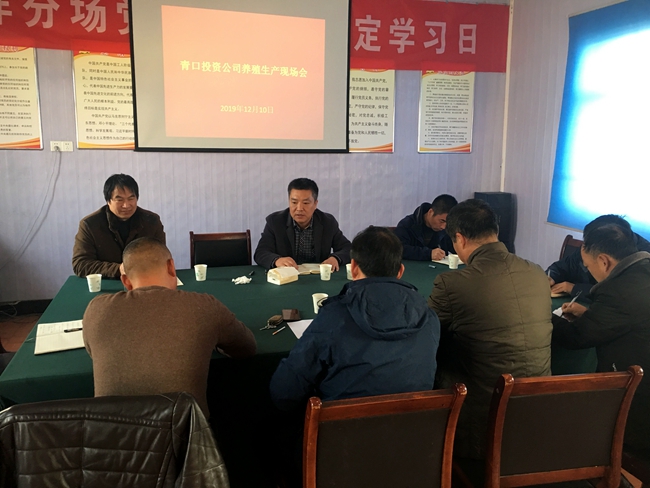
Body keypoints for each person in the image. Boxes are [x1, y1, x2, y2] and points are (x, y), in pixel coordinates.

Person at [428, 199, 552, 459]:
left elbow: (427, 339)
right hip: (538, 410)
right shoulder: (537, 272)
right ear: (495, 231)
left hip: (480, 419)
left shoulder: (453, 284)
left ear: (460, 239)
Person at [270, 226, 440, 412]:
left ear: (354, 268)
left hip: (342, 429)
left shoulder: (335, 317)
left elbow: (285, 392)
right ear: (400, 271)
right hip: (415, 427)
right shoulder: (429, 317)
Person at [82, 238, 256, 417]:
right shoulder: (205, 306)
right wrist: (213, 339)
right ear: (171, 267)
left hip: (110, 432)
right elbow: (247, 348)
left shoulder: (96, 309)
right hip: (184, 431)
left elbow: (92, 351)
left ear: (125, 281)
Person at [552, 223, 650, 452]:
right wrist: (591, 314)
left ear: (604, 261)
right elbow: (627, 319)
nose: (589, 271)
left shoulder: (618, 290)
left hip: (637, 404)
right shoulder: (642, 269)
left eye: (588, 266)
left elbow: (576, 337)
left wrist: (542, 315)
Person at [72, 174, 165, 279]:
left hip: (143, 280)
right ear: (108, 201)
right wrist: (118, 269)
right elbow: (80, 264)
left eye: (131, 198)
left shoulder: (152, 221)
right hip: (107, 283)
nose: (126, 205)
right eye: (119, 200)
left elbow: (161, 257)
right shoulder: (90, 225)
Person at [254, 178, 351, 271]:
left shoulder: (327, 222)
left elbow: (349, 249)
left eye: (305, 203)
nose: (299, 208)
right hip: (288, 276)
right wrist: (277, 260)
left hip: (317, 276)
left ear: (315, 204)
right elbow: (261, 252)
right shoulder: (275, 222)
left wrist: (335, 258)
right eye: (294, 202)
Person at [547, 214, 650, 299]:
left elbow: (617, 295)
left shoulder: (642, 262)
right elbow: (563, 266)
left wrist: (574, 288)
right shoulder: (592, 245)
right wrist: (550, 277)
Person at [395, 194, 458, 261]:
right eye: (442, 221)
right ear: (431, 212)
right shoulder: (407, 225)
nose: (443, 227)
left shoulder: (446, 229)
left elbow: (455, 247)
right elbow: (399, 249)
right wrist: (429, 254)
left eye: (448, 222)